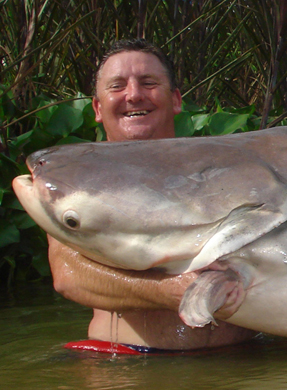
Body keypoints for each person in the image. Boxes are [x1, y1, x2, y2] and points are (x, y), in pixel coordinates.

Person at [48, 39, 256, 351]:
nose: (133, 95)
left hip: (247, 359)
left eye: (148, 83)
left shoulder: (223, 169)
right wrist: (172, 292)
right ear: (97, 107)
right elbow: (68, 274)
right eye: (117, 86)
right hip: (130, 366)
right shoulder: (77, 181)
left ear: (175, 100)